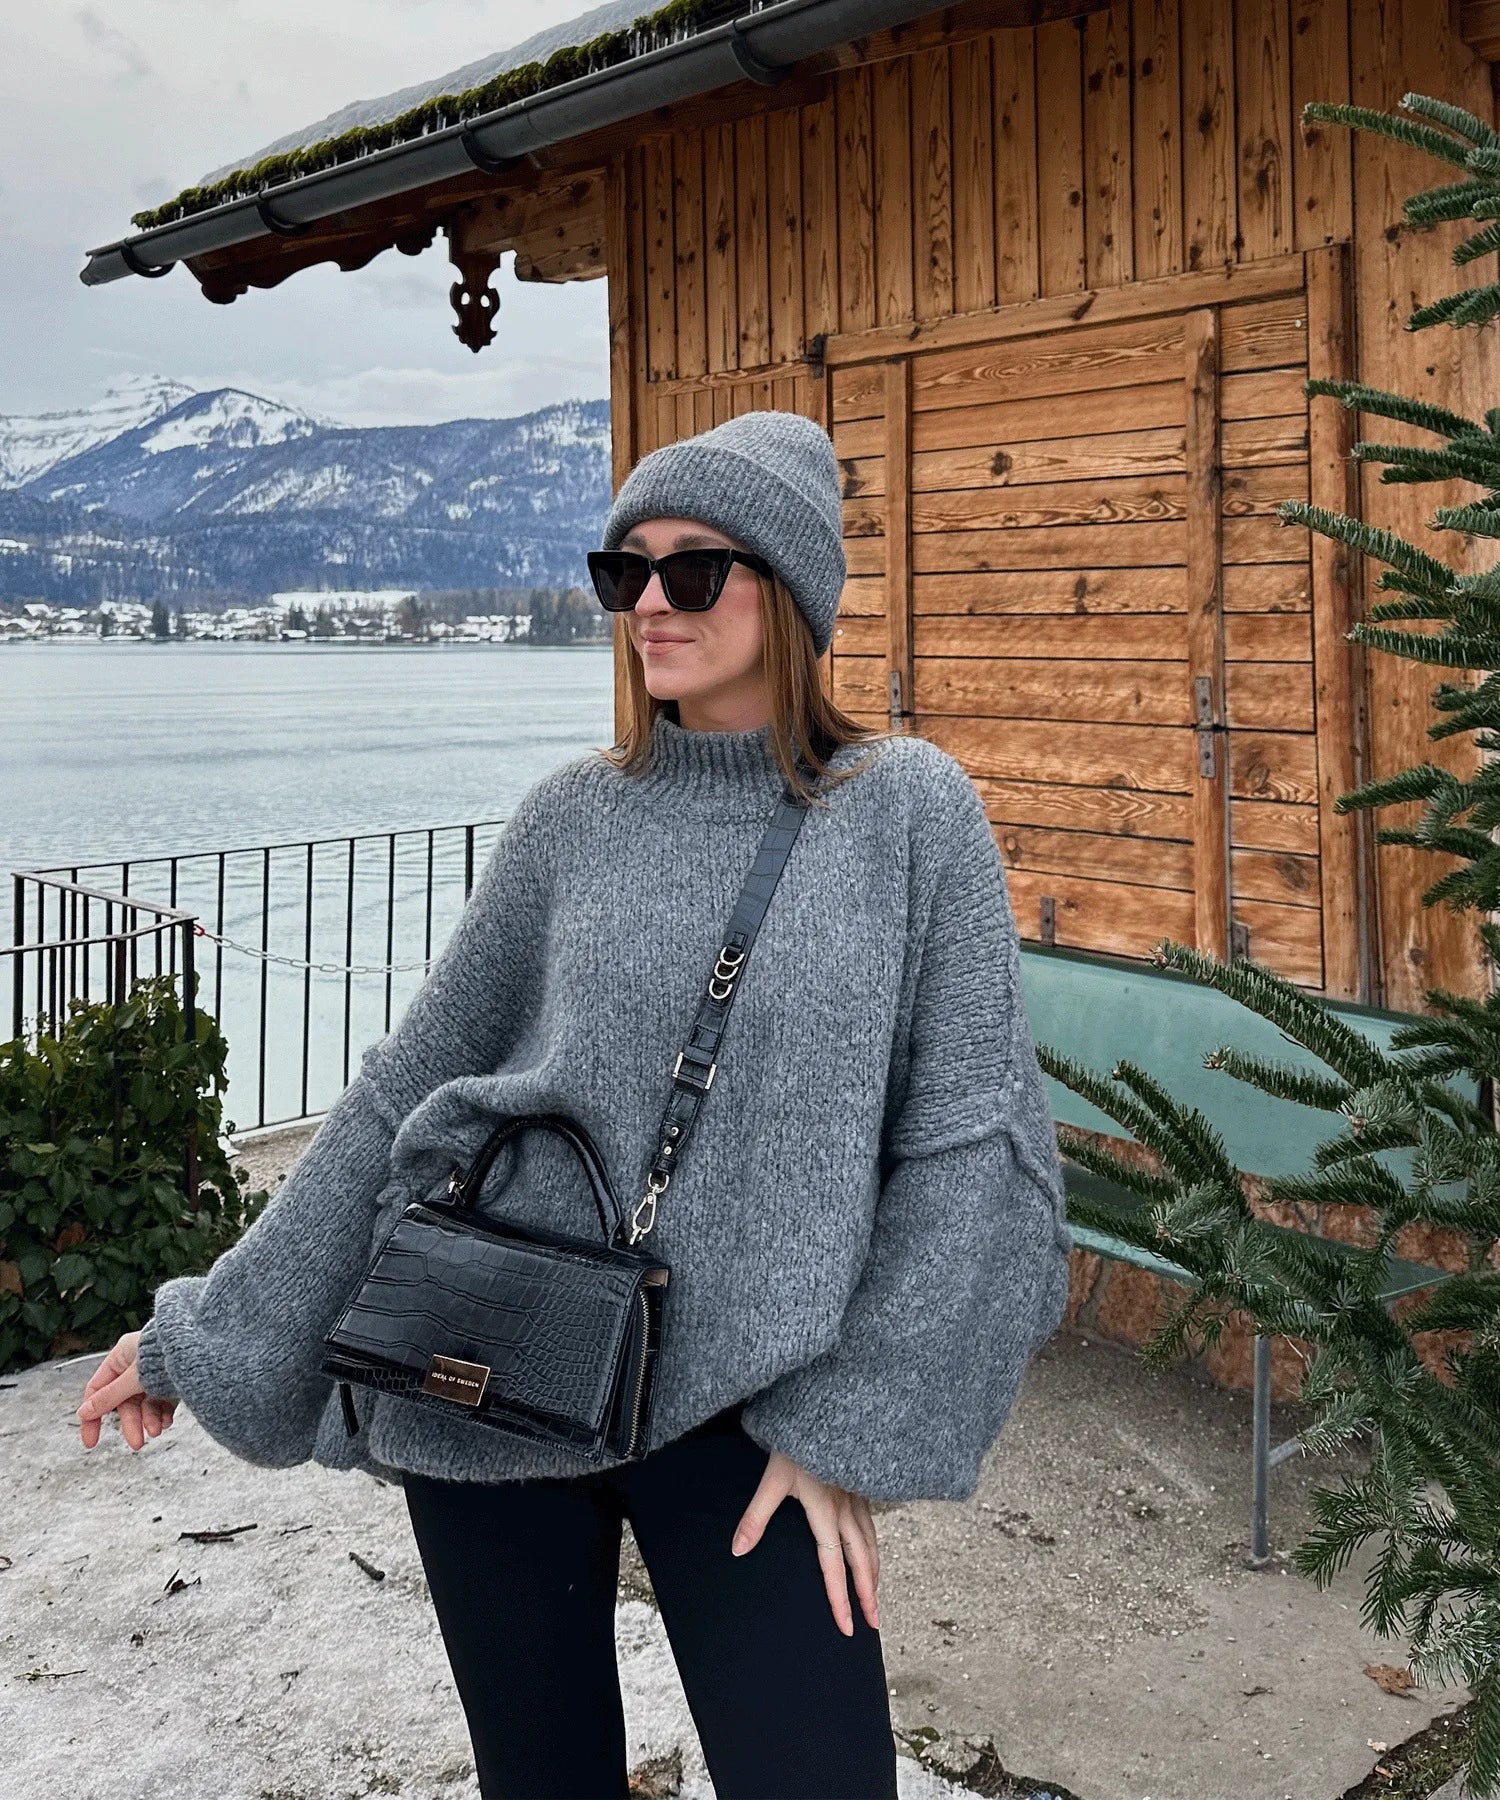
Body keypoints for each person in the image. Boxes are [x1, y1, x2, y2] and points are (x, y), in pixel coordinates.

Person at [75, 409, 1073, 1800]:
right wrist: (210, 1330)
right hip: (492, 1367)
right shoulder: (570, 820)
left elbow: (975, 1142)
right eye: (624, 571)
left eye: (694, 569)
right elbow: (401, 1093)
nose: (650, 602)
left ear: (789, 589)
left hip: (751, 1410)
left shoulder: (908, 812)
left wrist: (853, 1425)